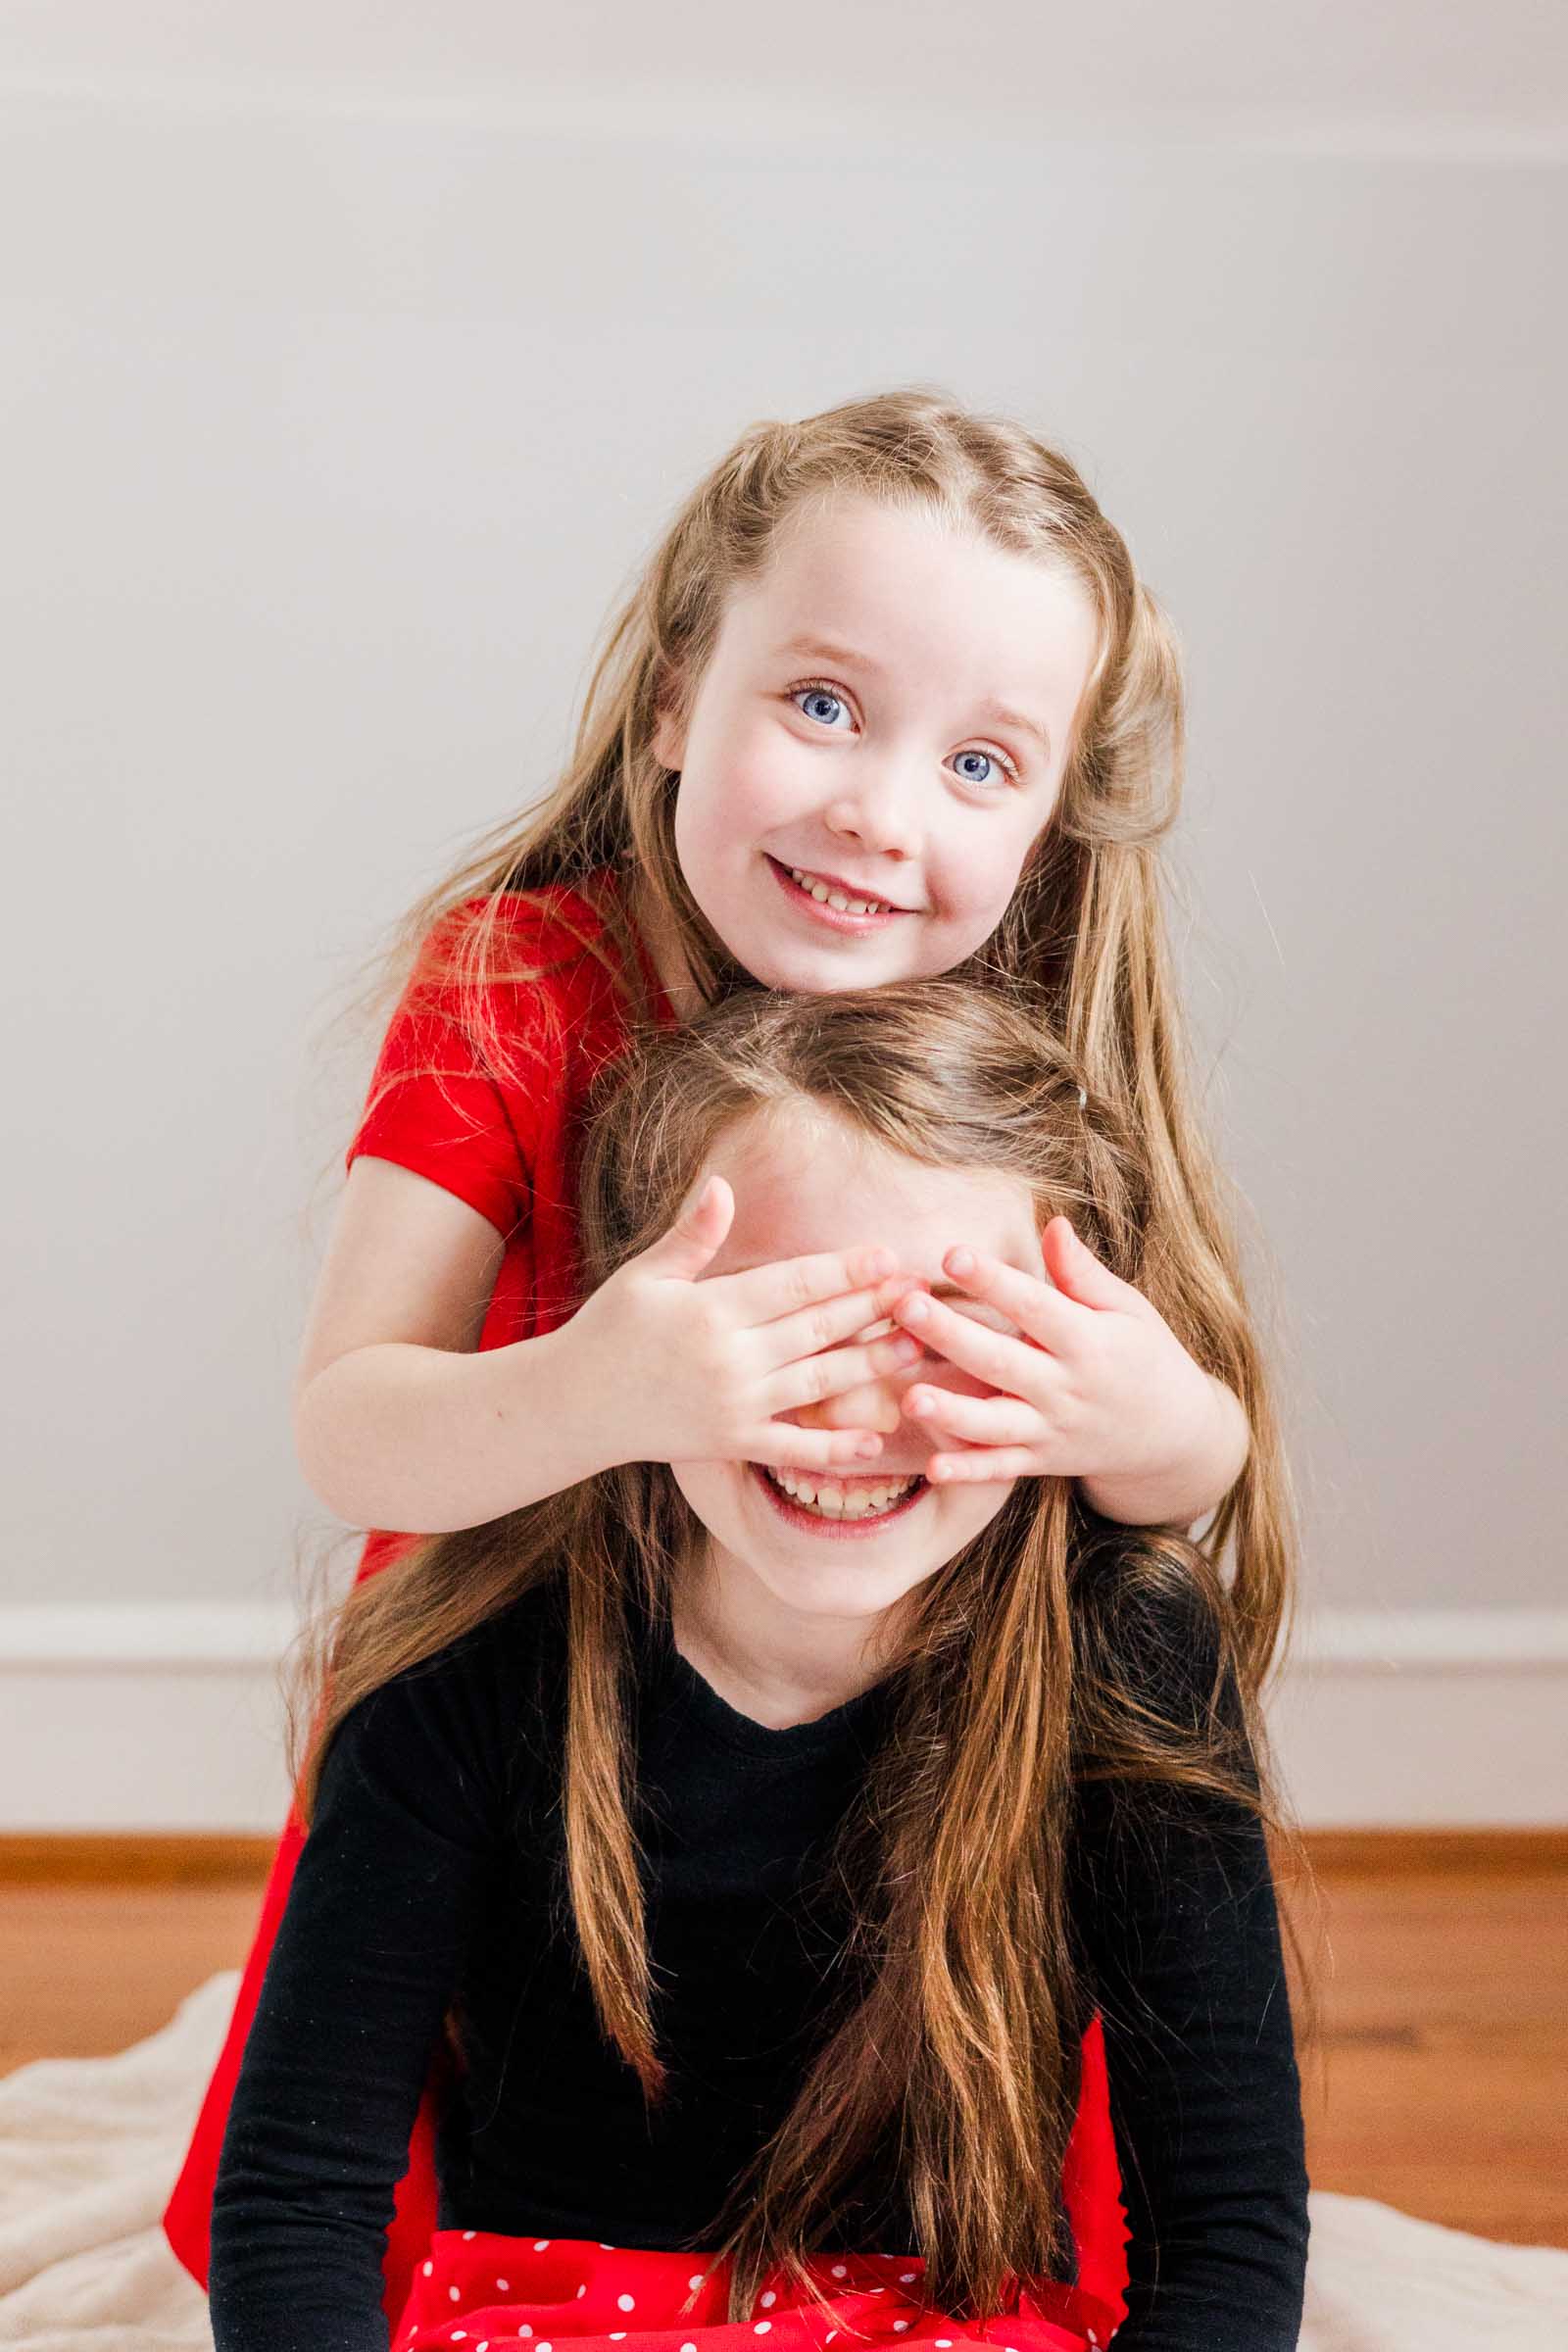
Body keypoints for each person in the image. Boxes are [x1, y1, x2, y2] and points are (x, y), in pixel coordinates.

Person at [166, 386, 1296, 2324]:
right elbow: (354, 1427)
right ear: (677, 695)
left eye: (976, 763)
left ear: (1043, 824)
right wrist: (608, 1394)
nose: (876, 811)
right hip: (541, 1655)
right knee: (412, 2103)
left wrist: (1150, 1420)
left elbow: (1175, 1483)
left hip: (913, 1703)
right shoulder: (518, 983)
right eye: (825, 707)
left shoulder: (1006, 1047)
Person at [207, 979, 1311, 2352]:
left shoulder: (1125, 1656)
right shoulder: (472, 1668)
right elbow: (295, 2209)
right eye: (785, 1331)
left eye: (943, 1339)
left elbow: (1228, 2237)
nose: (853, 1413)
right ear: (634, 1327)